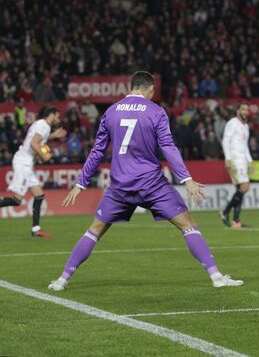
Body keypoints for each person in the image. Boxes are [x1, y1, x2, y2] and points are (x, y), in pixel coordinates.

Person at [48, 71, 243, 291]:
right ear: (150, 89)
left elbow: (97, 151)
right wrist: (186, 179)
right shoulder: (156, 111)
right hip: (151, 183)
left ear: (131, 87)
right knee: (188, 225)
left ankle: (62, 280)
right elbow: (168, 147)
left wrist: (81, 183)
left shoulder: (111, 112)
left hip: (120, 185)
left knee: (94, 230)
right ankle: (216, 277)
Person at [0, 106, 66, 237]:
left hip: (26, 163)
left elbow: (38, 140)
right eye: (57, 116)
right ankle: (36, 229)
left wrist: (53, 135)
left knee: (39, 194)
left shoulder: (42, 125)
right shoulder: (44, 126)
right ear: (51, 115)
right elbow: (34, 144)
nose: (58, 119)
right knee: (17, 200)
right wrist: (44, 156)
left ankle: (36, 229)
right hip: (23, 163)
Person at [220, 103, 252, 228]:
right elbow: (225, 141)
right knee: (245, 187)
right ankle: (224, 211)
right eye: (243, 109)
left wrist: (250, 161)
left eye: (247, 109)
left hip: (243, 160)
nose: (245, 111)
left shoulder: (246, 126)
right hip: (235, 159)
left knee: (241, 190)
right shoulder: (232, 123)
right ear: (237, 110)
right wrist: (227, 158)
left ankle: (236, 221)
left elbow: (245, 145)